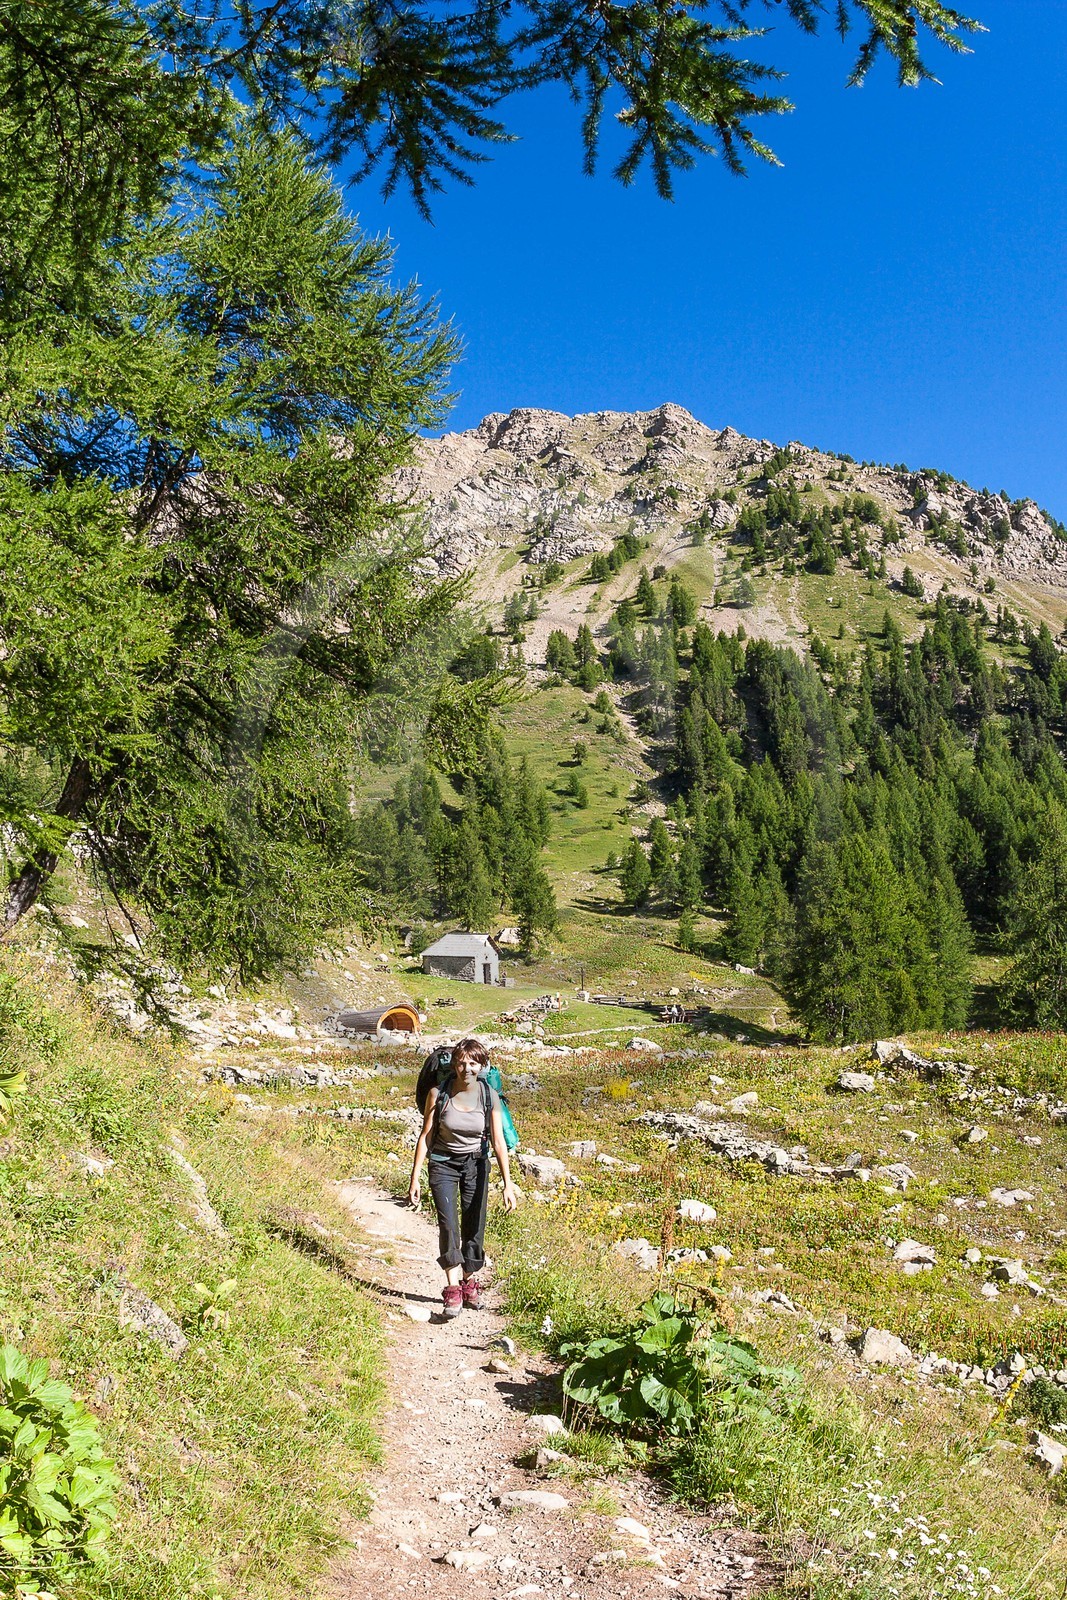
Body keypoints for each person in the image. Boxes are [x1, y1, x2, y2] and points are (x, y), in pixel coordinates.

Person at [407, 1037, 519, 1317]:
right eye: (461, 1062)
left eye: (473, 1063)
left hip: (476, 1166)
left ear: (482, 1066)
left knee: (475, 1226)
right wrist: (415, 1177)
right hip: (443, 1164)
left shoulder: (488, 1095)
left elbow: (498, 1141)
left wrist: (508, 1184)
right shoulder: (438, 1092)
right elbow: (426, 1136)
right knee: (448, 1225)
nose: (466, 1068)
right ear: (454, 1064)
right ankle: (453, 1288)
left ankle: (468, 1279)